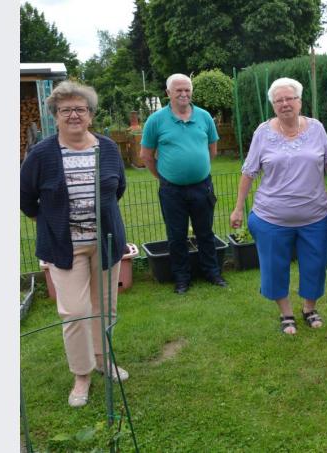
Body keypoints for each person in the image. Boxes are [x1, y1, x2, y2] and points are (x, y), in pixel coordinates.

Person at [20, 81, 129, 407]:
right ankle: (81, 375)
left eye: (80, 109)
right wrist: (50, 220)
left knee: (104, 307)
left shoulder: (108, 149)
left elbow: (118, 187)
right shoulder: (41, 154)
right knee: (76, 312)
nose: (73, 115)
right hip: (64, 245)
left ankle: (102, 359)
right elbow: (26, 198)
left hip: (105, 242)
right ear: (55, 116)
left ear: (91, 115)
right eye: (65, 110)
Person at [230, 78, 327, 335]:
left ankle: (309, 308)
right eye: (279, 100)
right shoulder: (262, 132)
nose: (285, 104)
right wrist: (239, 208)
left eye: (290, 99)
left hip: (315, 215)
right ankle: (285, 313)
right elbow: (249, 171)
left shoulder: (317, 128)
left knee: (316, 264)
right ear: (273, 105)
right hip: (271, 217)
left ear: (300, 101)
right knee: (274, 267)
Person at [140, 74, 226, 294]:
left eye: (187, 89)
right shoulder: (156, 121)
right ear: (168, 93)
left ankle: (212, 273)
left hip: (202, 186)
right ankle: (181, 279)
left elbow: (212, 150)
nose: (183, 94)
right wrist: (164, 177)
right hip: (171, 190)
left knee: (205, 232)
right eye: (178, 90)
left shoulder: (204, 117)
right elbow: (147, 156)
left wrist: (197, 168)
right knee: (176, 235)